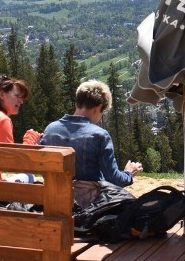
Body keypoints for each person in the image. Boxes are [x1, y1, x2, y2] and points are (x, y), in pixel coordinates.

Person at [39, 79, 142, 207]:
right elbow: (114, 179)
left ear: (77, 102)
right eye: (102, 112)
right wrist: (129, 173)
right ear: (98, 107)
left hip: (55, 201)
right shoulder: (99, 135)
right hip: (88, 207)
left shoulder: (50, 130)